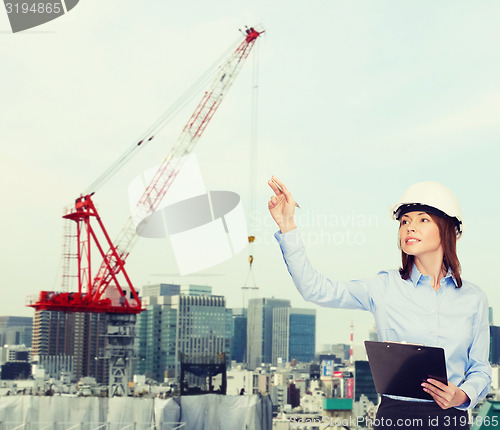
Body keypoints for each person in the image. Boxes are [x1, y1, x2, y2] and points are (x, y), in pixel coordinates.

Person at [267, 177, 491, 430]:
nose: (409, 227)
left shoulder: (473, 298)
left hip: (451, 419)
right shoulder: (383, 286)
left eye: (422, 219)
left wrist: (462, 395)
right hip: (395, 417)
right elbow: (314, 289)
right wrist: (287, 225)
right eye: (404, 221)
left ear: (447, 228)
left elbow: (481, 368)